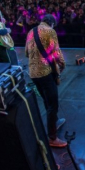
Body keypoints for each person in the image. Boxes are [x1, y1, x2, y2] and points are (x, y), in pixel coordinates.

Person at [25, 14, 67, 147]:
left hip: (33, 73)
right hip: (45, 73)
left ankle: (54, 122)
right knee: (53, 104)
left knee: (46, 100)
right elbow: (56, 52)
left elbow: (27, 53)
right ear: (52, 23)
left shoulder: (31, 32)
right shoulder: (50, 31)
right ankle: (52, 138)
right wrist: (62, 65)